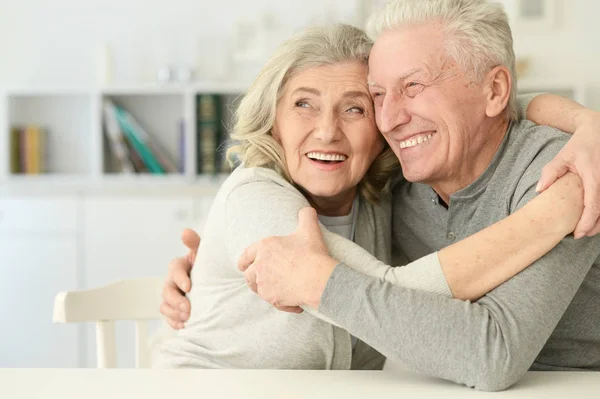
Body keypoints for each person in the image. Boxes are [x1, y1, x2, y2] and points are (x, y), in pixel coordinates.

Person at [163, 0, 600, 390]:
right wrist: (551, 217)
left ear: (495, 91)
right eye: (378, 97)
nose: (390, 118)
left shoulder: (569, 172)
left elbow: (489, 353)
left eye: (411, 87)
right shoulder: (395, 181)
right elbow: (388, 289)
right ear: (271, 119)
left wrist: (587, 128)